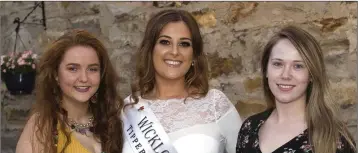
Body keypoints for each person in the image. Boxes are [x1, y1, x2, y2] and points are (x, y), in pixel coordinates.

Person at [121, 9, 242, 153]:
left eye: (184, 44)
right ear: (150, 50)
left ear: (194, 55)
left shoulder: (215, 104)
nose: (174, 52)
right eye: (165, 42)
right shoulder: (128, 110)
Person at [236, 26, 356, 153]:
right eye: (278, 64)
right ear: (266, 70)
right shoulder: (249, 129)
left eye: (298, 66)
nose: (286, 75)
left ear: (311, 75)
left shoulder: (334, 139)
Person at [16, 29, 124, 153]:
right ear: (56, 74)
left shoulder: (110, 121)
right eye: (73, 69)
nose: (84, 78)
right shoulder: (41, 125)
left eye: (92, 69)